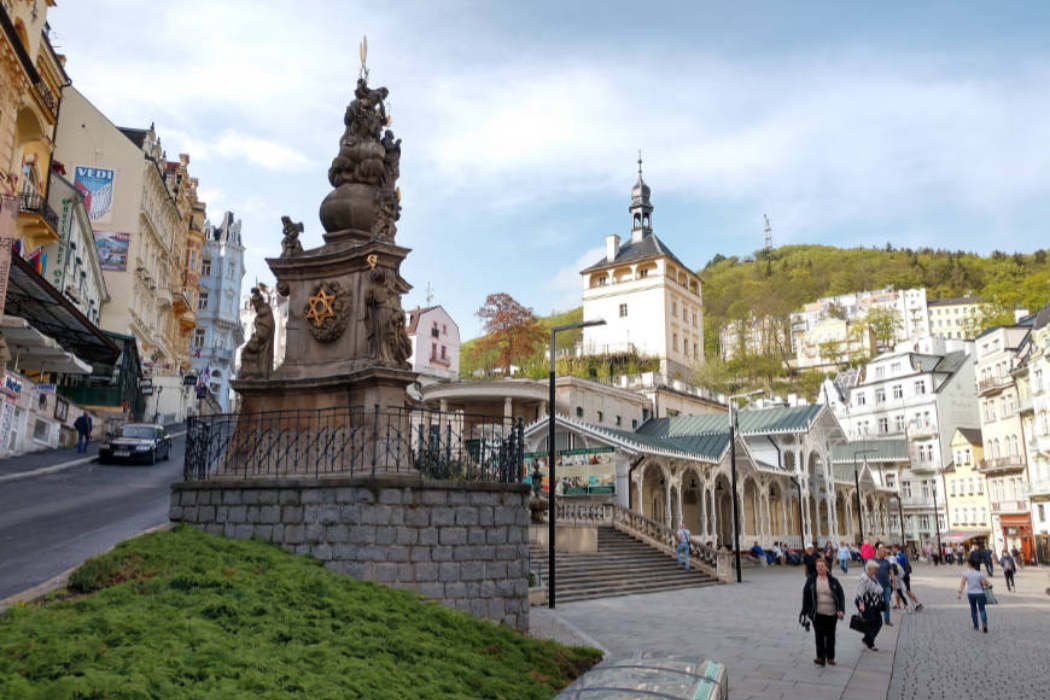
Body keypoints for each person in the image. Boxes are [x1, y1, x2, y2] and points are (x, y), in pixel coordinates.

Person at [801, 556, 845, 666]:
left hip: (831, 613)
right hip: (817, 613)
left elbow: (841, 596)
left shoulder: (833, 581)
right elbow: (805, 595)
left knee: (830, 636)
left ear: (827, 568)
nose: (819, 568)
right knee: (819, 636)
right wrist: (805, 611)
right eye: (818, 566)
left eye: (822, 566)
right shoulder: (811, 580)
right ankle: (820, 657)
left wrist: (841, 610)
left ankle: (830, 657)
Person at [856, 559, 885, 650]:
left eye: (877, 569)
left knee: (879, 622)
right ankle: (870, 643)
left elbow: (879, 589)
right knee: (872, 623)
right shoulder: (864, 579)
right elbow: (859, 593)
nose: (876, 571)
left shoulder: (872, 577)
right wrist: (861, 605)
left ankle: (867, 639)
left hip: (875, 604)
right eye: (875, 569)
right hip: (867, 604)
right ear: (869, 569)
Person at [957, 559, 991, 633]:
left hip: (971, 594)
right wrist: (987, 584)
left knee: (973, 609)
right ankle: (984, 624)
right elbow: (984, 584)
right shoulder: (979, 573)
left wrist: (960, 593)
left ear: (969, 564)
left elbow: (962, 584)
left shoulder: (965, 573)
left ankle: (976, 625)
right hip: (980, 593)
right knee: (982, 609)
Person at [893, 544, 924, 611]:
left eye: (893, 548)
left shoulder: (898, 556)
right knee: (898, 590)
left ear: (896, 548)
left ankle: (918, 604)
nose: (893, 550)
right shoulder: (902, 555)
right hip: (905, 575)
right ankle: (898, 605)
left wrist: (895, 571)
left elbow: (898, 567)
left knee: (907, 591)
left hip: (902, 576)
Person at [874, 545, 896, 626]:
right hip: (875, 587)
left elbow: (892, 573)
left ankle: (887, 620)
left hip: (886, 586)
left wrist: (893, 583)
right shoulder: (872, 560)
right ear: (878, 551)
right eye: (884, 552)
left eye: (886, 552)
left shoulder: (887, 562)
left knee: (887, 603)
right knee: (875, 603)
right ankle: (876, 619)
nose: (885, 553)